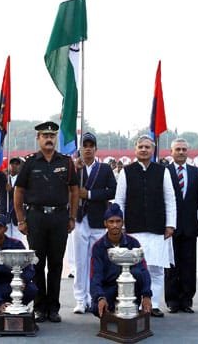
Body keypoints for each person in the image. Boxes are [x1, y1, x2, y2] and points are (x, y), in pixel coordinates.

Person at [14, 121, 79, 322]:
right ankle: (40, 307)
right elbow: (19, 191)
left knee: (57, 264)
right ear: (38, 139)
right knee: (37, 264)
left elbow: (74, 190)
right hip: (36, 217)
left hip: (60, 217)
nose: (49, 139)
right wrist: (21, 220)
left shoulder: (66, 162)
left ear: (56, 138)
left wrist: (72, 216)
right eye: (45, 136)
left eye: (52, 136)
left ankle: (54, 307)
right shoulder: (30, 162)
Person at [114, 135, 177, 318]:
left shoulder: (162, 171)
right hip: (134, 229)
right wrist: (121, 225)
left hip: (158, 228)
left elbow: (170, 199)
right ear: (135, 149)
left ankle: (154, 304)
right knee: (135, 270)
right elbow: (119, 200)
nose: (144, 149)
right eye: (140, 146)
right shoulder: (127, 171)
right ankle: (134, 304)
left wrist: (170, 225)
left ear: (153, 149)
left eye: (147, 147)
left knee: (156, 269)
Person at [72, 132, 117, 314]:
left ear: (96, 149)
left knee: (96, 261)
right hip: (80, 219)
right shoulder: (76, 168)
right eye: (85, 145)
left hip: (98, 220)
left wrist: (89, 194)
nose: (88, 149)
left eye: (91, 146)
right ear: (80, 149)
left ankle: (94, 297)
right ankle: (80, 299)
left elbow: (112, 191)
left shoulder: (104, 169)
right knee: (80, 261)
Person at [90, 203, 152, 317]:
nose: (115, 225)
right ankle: (111, 309)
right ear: (105, 223)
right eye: (111, 222)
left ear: (122, 223)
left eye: (118, 221)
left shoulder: (133, 243)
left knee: (137, 272)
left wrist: (147, 295)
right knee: (94, 307)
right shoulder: (98, 247)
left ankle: (129, 307)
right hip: (109, 288)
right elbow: (95, 276)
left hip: (131, 291)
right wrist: (100, 297)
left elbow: (143, 271)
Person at [165, 138, 198, 313]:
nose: (181, 152)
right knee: (171, 265)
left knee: (189, 264)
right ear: (171, 152)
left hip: (189, 226)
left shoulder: (196, 173)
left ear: (188, 152)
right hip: (170, 227)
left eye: (184, 149)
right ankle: (172, 300)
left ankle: (187, 299)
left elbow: (197, 199)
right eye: (177, 149)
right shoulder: (165, 171)